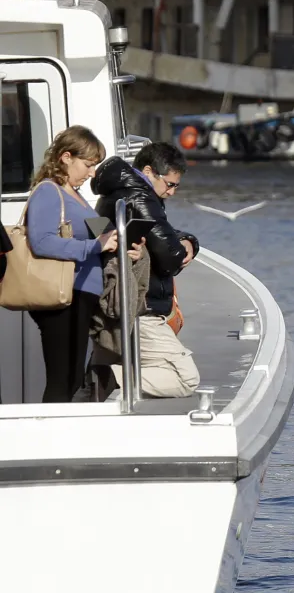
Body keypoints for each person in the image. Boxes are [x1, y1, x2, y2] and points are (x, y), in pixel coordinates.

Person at [25, 125, 142, 403]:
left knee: (73, 377)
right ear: (66, 157)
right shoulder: (49, 192)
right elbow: (42, 242)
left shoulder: (78, 200)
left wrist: (124, 248)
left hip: (80, 295)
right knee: (62, 377)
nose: (92, 173)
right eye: (88, 165)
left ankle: (56, 435)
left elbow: (103, 237)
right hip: (62, 293)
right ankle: (50, 438)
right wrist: (96, 245)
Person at [92, 141, 200, 398]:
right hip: (139, 305)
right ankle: (105, 378)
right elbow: (171, 256)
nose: (172, 192)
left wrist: (189, 240)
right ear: (150, 171)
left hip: (120, 298)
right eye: (170, 184)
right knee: (185, 378)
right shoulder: (140, 196)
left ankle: (100, 380)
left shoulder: (120, 191)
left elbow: (162, 235)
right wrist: (183, 247)